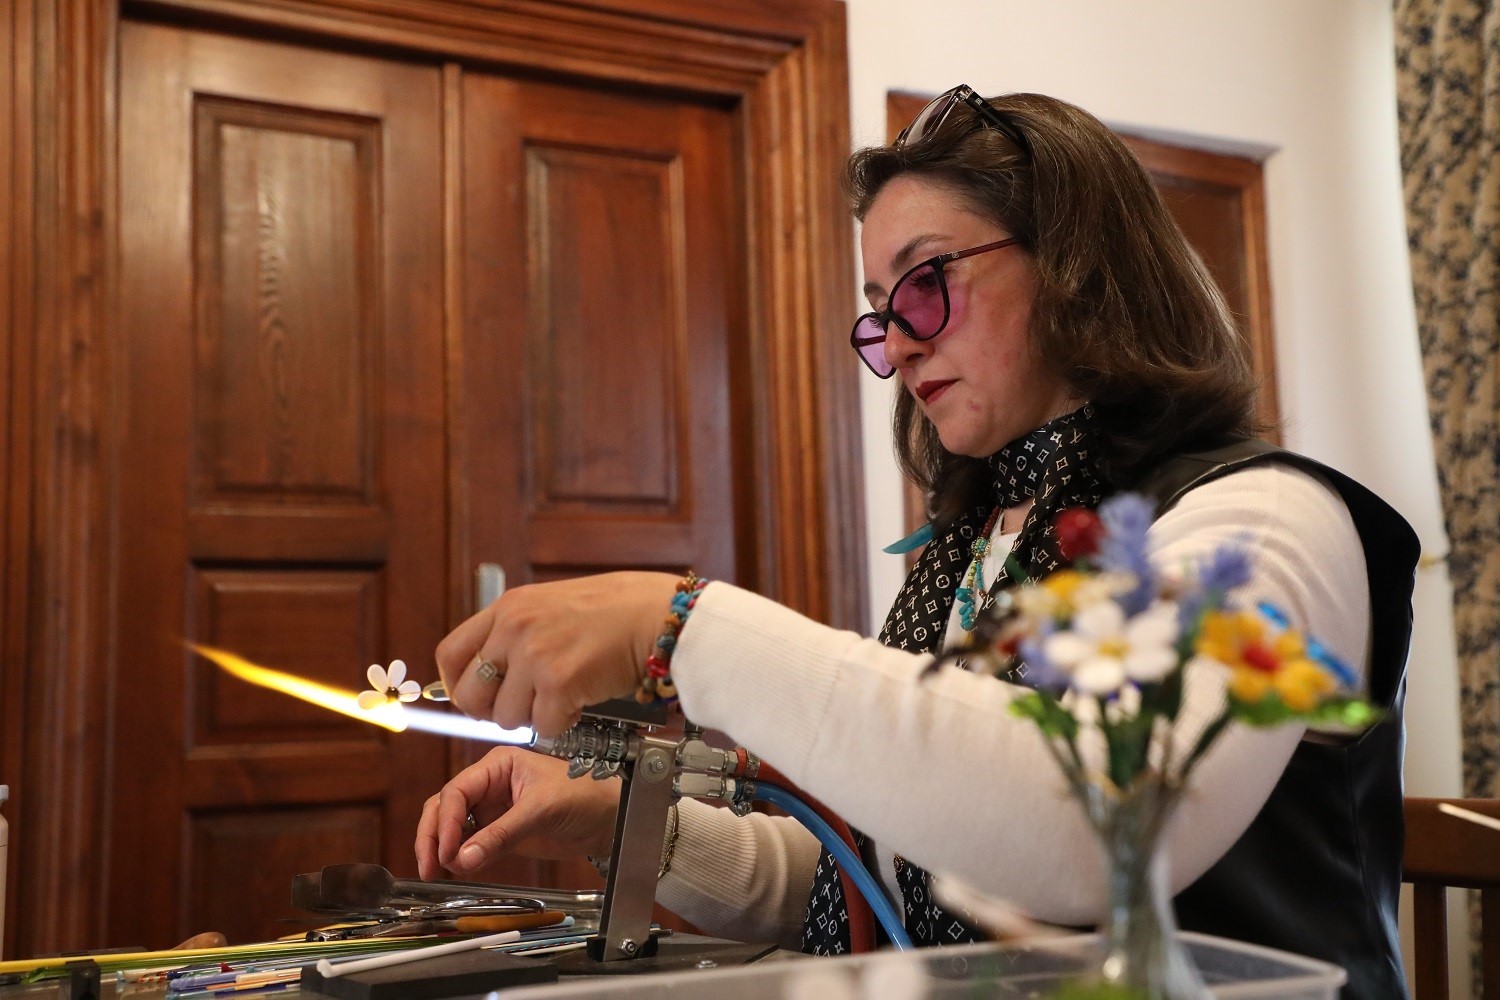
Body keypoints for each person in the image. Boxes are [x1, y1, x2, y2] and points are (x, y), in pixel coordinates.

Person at [414, 88, 1418, 999]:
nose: (896, 345)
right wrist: (634, 826)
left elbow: (1095, 826)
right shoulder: (972, 553)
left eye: (925, 282)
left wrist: (682, 624)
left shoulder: (1260, 520)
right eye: (879, 314)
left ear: (1076, 265)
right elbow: (903, 882)